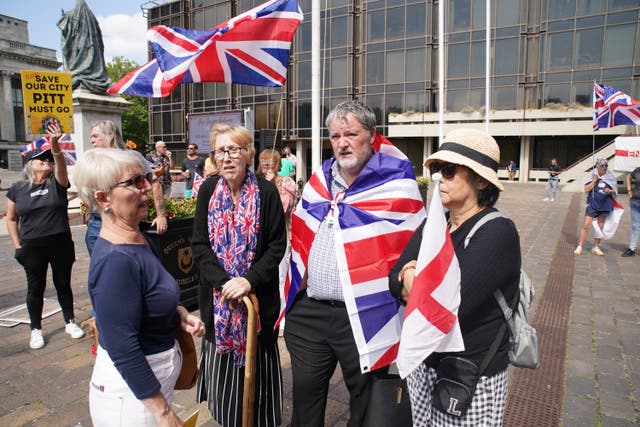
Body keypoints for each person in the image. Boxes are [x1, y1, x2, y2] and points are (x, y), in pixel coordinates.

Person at [283, 100, 424, 426]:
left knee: (365, 404)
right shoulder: (319, 180)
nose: (342, 143)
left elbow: (415, 245)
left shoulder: (396, 183)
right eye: (335, 136)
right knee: (304, 400)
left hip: (365, 314)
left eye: (351, 134)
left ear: (372, 136)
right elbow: (300, 237)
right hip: (310, 313)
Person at [389, 128, 520, 426]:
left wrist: (410, 276)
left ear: (481, 179)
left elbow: (451, 304)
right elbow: (392, 277)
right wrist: (412, 277)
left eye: (448, 171)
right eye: (436, 169)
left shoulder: (497, 232)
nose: (438, 179)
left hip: (470, 372)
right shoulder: (436, 224)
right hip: (427, 362)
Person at [73, 148, 205, 426]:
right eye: (134, 182)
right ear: (103, 197)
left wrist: (178, 313)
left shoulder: (142, 239)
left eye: (146, 177)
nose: (147, 186)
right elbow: (122, 346)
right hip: (132, 401)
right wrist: (165, 413)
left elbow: (148, 296)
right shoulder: (116, 261)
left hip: (152, 391)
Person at [192, 124, 287, 427]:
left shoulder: (267, 192)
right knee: (225, 393)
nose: (227, 157)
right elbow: (199, 245)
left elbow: (276, 246)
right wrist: (224, 283)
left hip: (257, 303)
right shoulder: (208, 190)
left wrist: (249, 279)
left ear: (248, 154)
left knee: (257, 391)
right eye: (221, 151)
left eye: (234, 149)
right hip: (218, 306)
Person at [6, 122, 85, 350]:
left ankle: (70, 321)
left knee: (63, 283)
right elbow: (11, 218)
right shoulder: (17, 188)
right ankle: (36, 329)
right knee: (35, 288)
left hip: (60, 243)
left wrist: (55, 146)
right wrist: (17, 246)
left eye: (48, 158)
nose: (47, 161)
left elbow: (61, 166)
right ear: (30, 164)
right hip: (32, 246)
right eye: (42, 159)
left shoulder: (57, 183)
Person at [86, 120, 167, 255]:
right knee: (102, 270)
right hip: (97, 223)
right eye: (91, 137)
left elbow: (154, 182)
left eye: (95, 136)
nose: (91, 141)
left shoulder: (132, 157)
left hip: (128, 224)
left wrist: (161, 215)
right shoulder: (93, 160)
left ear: (110, 135)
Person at [575, 158, 617, 256]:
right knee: (586, 225)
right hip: (593, 203)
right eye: (602, 166)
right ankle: (580, 245)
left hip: (605, 203)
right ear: (597, 166)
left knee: (600, 225)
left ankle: (596, 246)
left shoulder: (610, 176)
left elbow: (615, 191)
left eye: (606, 166)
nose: (604, 168)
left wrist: (610, 191)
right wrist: (594, 181)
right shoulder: (592, 175)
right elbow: (586, 189)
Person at [621, 166, 640, 257]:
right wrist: (629, 190)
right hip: (635, 202)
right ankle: (632, 248)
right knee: (635, 226)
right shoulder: (637, 170)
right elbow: (628, 177)